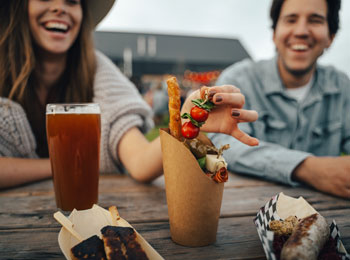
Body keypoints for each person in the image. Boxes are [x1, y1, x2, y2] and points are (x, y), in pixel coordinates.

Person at [0, 0, 259, 189]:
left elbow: (139, 161)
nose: (61, 7)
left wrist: (186, 120)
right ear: (21, 7)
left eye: (73, 1)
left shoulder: (101, 73)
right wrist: (67, 165)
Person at [209, 0, 350, 199]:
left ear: (331, 37)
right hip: (247, 213)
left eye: (315, 20)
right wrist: (308, 168)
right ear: (274, 34)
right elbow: (224, 144)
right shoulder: (238, 80)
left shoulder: (343, 86)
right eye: (290, 19)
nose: (301, 31)